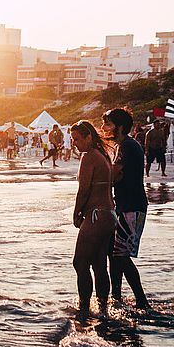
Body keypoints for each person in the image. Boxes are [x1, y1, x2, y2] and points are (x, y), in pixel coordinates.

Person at [102, 108, 149, 309]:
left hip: (131, 206)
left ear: (119, 128)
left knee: (120, 255)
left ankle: (142, 301)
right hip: (128, 205)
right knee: (114, 253)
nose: (104, 128)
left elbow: (114, 174)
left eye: (108, 124)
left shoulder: (126, 147)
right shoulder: (128, 145)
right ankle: (117, 297)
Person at [70, 121, 116, 318]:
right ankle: (103, 309)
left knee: (80, 263)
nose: (75, 144)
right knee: (98, 264)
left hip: (96, 215)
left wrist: (76, 213)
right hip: (109, 215)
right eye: (73, 140)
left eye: (77, 139)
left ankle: (84, 309)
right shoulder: (102, 155)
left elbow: (84, 189)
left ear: (88, 137)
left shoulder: (88, 156)